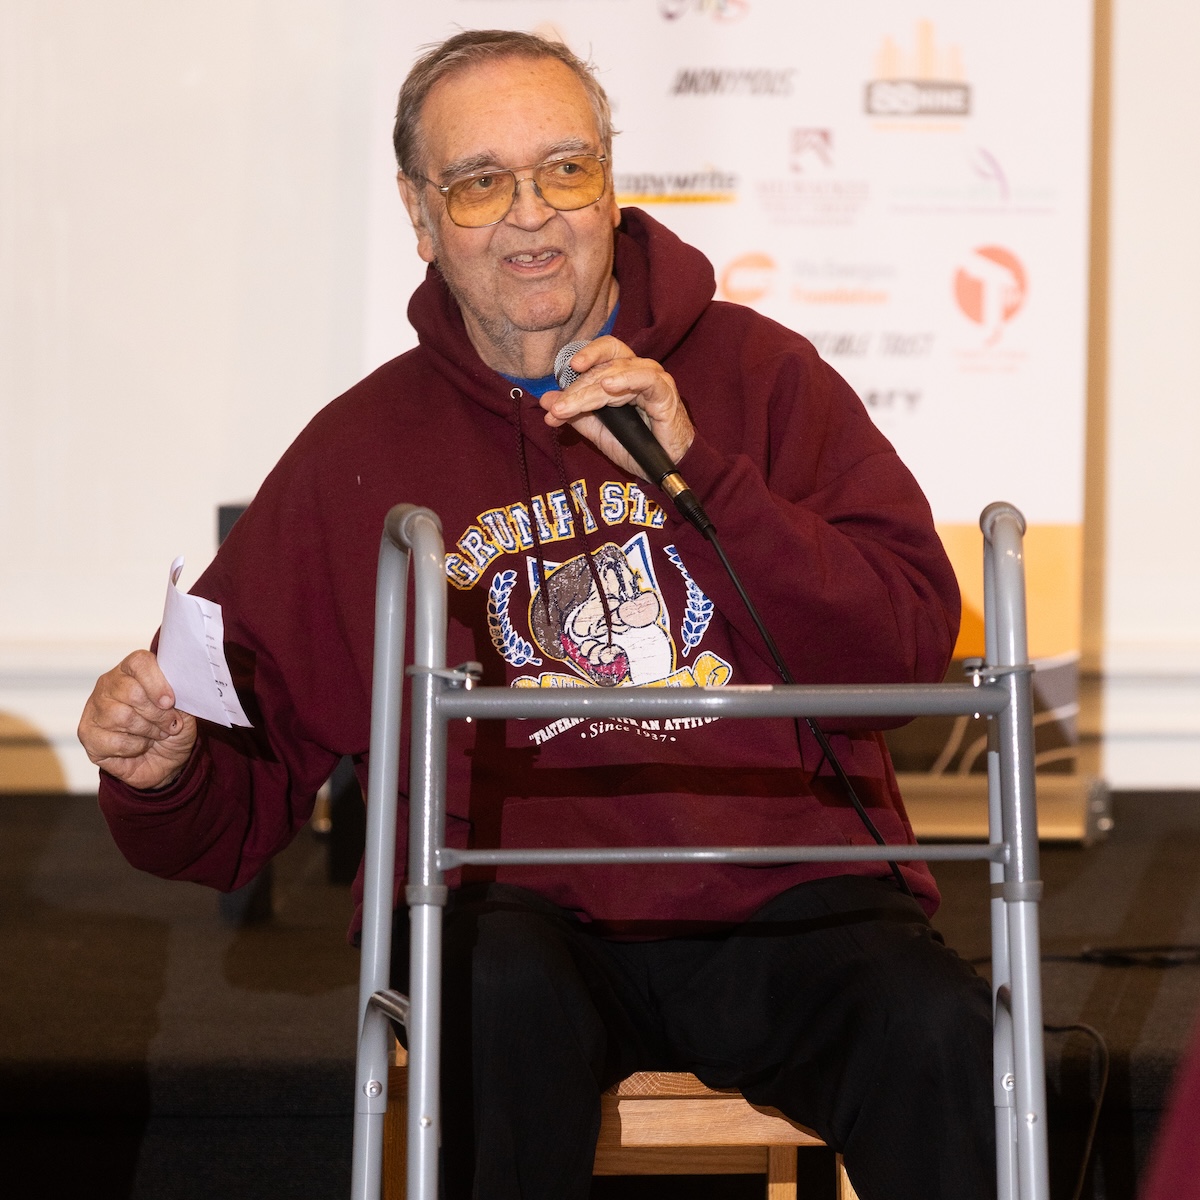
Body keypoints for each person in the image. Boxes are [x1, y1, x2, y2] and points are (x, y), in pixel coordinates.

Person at [78, 29, 994, 1200]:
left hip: (782, 897)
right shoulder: (360, 455)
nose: (531, 215)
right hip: (509, 917)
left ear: (610, 186)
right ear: (419, 216)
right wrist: (161, 770)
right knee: (494, 995)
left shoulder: (765, 382)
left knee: (938, 1032)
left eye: (565, 170)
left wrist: (705, 479)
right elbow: (232, 814)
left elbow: (906, 645)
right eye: (480, 182)